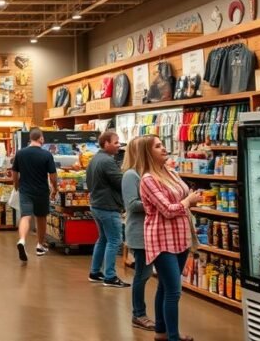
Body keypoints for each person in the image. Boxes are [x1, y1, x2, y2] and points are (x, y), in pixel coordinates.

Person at [139, 135, 200, 341]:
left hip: (180, 237)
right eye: (158, 146)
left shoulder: (170, 172)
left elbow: (182, 196)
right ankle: (173, 337)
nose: (163, 148)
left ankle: (161, 332)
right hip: (161, 239)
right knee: (174, 291)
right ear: (148, 153)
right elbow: (167, 209)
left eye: (162, 145)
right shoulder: (148, 179)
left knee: (165, 287)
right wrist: (188, 201)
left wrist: (191, 199)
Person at [86, 130, 128, 287]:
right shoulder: (107, 161)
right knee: (115, 240)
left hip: (97, 204)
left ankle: (95, 272)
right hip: (108, 206)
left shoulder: (95, 159)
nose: (119, 146)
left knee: (103, 239)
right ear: (106, 144)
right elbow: (120, 183)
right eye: (116, 142)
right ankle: (110, 276)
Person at [122, 138, 156, 331]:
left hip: (153, 232)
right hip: (139, 233)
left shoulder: (148, 174)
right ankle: (139, 314)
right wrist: (158, 204)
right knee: (142, 275)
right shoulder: (131, 175)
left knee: (146, 273)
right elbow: (132, 204)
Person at [11, 128, 58, 261]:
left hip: (25, 190)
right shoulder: (47, 155)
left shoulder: (20, 153)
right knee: (41, 217)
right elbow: (53, 175)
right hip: (41, 191)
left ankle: (22, 240)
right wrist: (55, 188)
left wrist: (16, 185)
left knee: (26, 216)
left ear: (30, 139)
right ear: (41, 138)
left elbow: (14, 172)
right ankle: (40, 245)